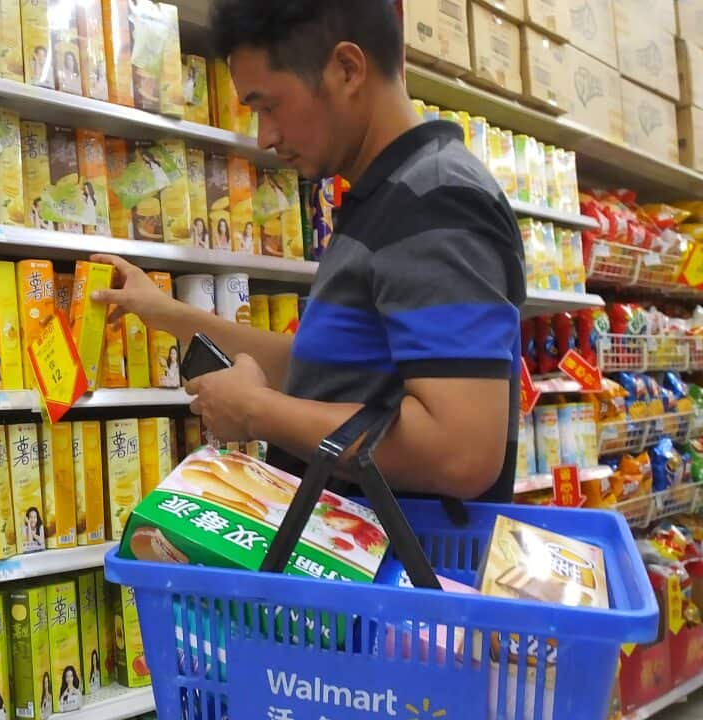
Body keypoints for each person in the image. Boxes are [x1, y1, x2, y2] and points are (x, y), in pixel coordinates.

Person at [92, 0, 525, 502]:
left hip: (399, 570)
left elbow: (461, 454)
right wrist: (164, 313)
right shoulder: (383, 200)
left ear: (347, 69)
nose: (266, 136)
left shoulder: (435, 203)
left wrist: (257, 412)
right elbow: (326, 372)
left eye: (269, 106)